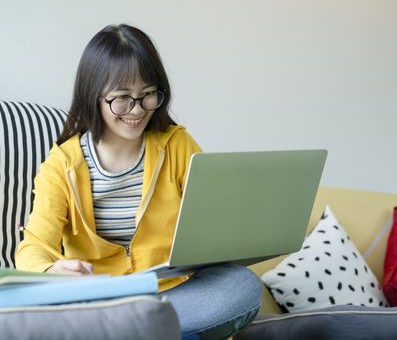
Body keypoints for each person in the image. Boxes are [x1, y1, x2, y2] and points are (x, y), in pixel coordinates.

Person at [16, 23, 262, 339]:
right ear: (95, 96)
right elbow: (34, 246)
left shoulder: (177, 145)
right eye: (122, 98)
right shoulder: (62, 164)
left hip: (175, 294)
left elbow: (214, 219)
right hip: (103, 302)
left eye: (147, 95)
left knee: (241, 285)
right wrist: (49, 269)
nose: (137, 110)